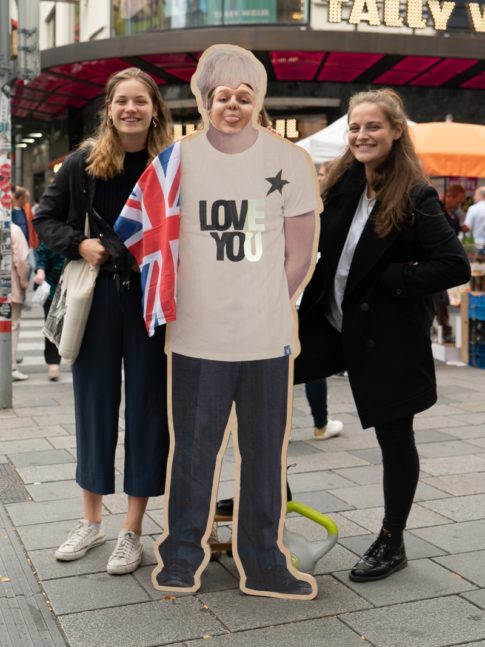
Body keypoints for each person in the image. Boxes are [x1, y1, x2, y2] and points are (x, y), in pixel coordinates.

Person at [116, 45, 320, 599]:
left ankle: (265, 561)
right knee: (194, 453)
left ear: (258, 101)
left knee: (262, 455)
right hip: (196, 337)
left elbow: (298, 257)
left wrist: (264, 303)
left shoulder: (290, 162)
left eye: (244, 96)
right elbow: (140, 230)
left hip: (265, 338)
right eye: (222, 96)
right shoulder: (177, 161)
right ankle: (181, 555)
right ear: (205, 101)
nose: (233, 105)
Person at [295, 89, 470, 582]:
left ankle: (392, 540)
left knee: (396, 438)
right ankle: (272, 503)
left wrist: (395, 277)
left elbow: (453, 265)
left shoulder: (416, 194)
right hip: (329, 325)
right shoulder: (342, 180)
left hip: (386, 335)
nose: (361, 135)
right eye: (354, 127)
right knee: (264, 384)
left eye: (372, 127)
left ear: (396, 130)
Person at [34, 67, 172, 575]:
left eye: (140, 100)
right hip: (97, 303)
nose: (131, 109)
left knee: (147, 411)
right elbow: (44, 219)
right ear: (109, 109)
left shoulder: (171, 166)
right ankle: (91, 522)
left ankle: (132, 531)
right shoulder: (83, 163)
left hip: (150, 304)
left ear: (154, 108)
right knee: (93, 405)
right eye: (121, 102)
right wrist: (80, 244)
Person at [305, 162, 343, 440]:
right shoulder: (332, 208)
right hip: (306, 295)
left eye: (322, 174)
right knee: (309, 361)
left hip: (294, 293)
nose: (319, 178)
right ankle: (320, 423)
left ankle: (319, 422)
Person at [33, 242, 65, 381]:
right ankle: (53, 362)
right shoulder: (50, 237)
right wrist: (40, 270)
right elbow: (41, 255)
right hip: (51, 289)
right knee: (52, 325)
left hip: (74, 288)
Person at [10, 222, 30, 381]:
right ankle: (10, 366)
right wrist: (24, 282)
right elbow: (22, 260)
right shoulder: (14, 230)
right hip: (10, 287)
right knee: (12, 325)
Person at [463, 186, 485, 255]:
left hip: (476, 245)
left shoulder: (473, 209)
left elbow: (467, 228)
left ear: (481, 195)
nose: (474, 197)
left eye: (475, 194)